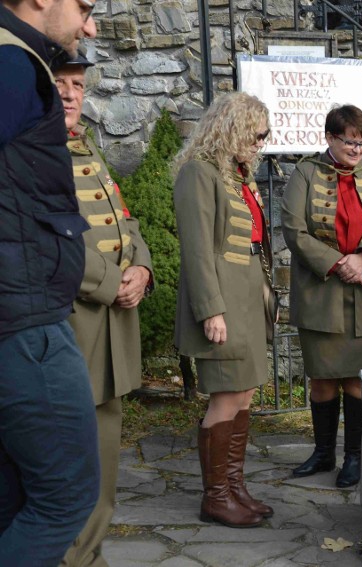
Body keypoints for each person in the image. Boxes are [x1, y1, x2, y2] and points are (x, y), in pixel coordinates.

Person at [0, 1, 100, 565]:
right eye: (84, 7)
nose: (89, 27)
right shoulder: (12, 63)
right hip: (26, 326)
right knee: (66, 497)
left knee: (14, 502)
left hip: (19, 317)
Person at [55, 53, 154, 567]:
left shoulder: (85, 147)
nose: (71, 93)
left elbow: (126, 222)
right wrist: (114, 281)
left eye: (77, 83)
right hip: (72, 330)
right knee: (68, 465)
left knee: (104, 461)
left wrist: (142, 269)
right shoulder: (30, 151)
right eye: (58, 83)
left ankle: (89, 554)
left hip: (110, 333)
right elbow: (53, 243)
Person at [281, 104, 362, 488]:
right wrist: (337, 263)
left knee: (357, 381)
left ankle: (353, 457)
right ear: (330, 138)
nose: (357, 149)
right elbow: (294, 230)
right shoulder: (305, 173)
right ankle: (322, 454)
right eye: (349, 142)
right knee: (322, 380)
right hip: (322, 295)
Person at [173, 92, 277, 528]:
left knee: (246, 391)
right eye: (255, 135)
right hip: (222, 301)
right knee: (226, 394)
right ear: (230, 128)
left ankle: (234, 486)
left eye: (264, 136)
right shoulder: (199, 173)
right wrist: (210, 310)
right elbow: (197, 250)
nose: (260, 143)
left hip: (248, 297)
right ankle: (216, 497)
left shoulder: (237, 176)